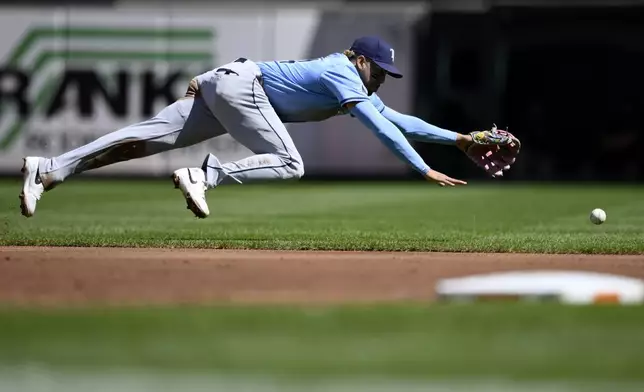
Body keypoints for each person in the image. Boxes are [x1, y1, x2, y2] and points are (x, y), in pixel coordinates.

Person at [19, 35, 520, 219]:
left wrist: (459, 139)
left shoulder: (353, 83)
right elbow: (382, 131)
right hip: (243, 87)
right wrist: (422, 167)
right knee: (290, 163)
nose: (381, 81)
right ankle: (205, 176)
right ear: (362, 60)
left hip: (228, 84)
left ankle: (48, 169)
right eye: (380, 71)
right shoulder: (342, 71)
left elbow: (398, 120)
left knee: (140, 140)